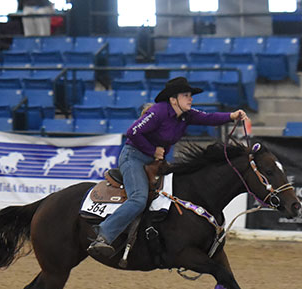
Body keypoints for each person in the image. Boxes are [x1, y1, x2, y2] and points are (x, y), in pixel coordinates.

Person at [87, 76, 248, 259]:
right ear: (173, 99)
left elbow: (208, 117)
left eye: (190, 95)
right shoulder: (159, 112)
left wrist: (231, 116)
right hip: (133, 158)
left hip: (157, 162)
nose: (190, 99)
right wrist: (152, 151)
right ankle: (103, 235)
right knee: (139, 198)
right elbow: (133, 132)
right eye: (186, 95)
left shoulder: (186, 115)